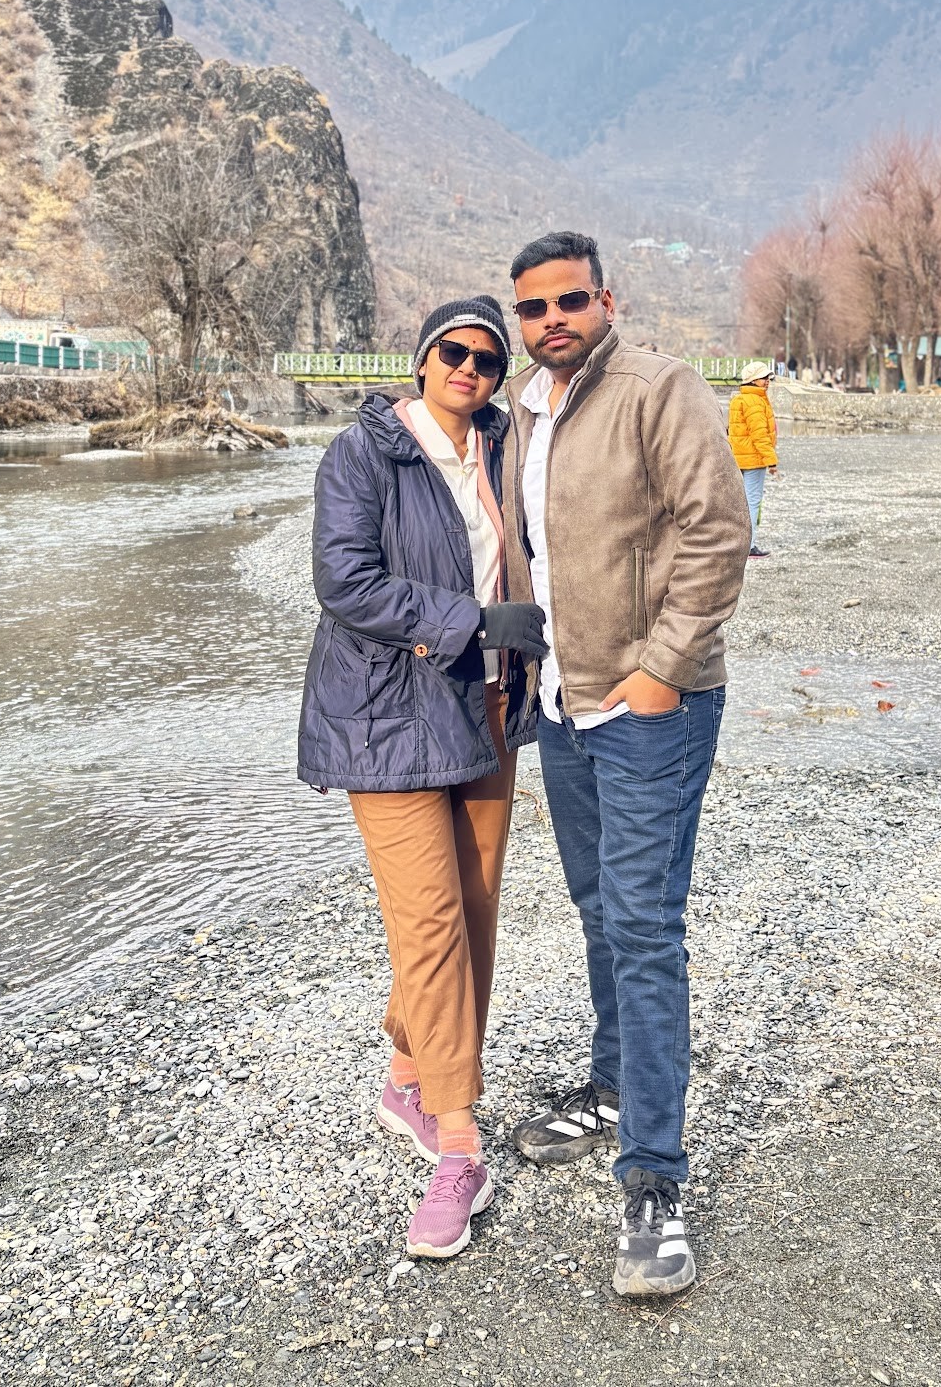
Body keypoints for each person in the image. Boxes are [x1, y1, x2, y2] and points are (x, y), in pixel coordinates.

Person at [499, 233, 749, 1297]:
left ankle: (654, 1178)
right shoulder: (525, 409)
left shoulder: (657, 387)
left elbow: (718, 530)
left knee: (645, 927)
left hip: (649, 707)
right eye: (533, 307)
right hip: (565, 703)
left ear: (606, 298)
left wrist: (659, 670)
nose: (552, 319)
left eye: (569, 300)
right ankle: (611, 1088)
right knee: (601, 908)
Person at [297, 296, 547, 1262]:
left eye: (488, 359)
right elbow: (344, 582)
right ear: (421, 358)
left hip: (489, 705)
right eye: (453, 352)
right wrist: (473, 623)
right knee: (430, 917)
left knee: (472, 907)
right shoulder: (366, 454)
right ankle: (457, 1140)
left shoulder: (505, 446)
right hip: (389, 714)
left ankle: (409, 1070)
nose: (469, 369)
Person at [727, 360, 779, 559]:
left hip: (738, 458)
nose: (767, 381)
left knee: (738, 501)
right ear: (753, 380)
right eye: (763, 378)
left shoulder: (738, 399)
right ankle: (749, 546)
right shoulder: (755, 402)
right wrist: (771, 461)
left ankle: (734, 542)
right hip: (754, 460)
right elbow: (759, 434)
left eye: (768, 377)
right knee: (752, 501)